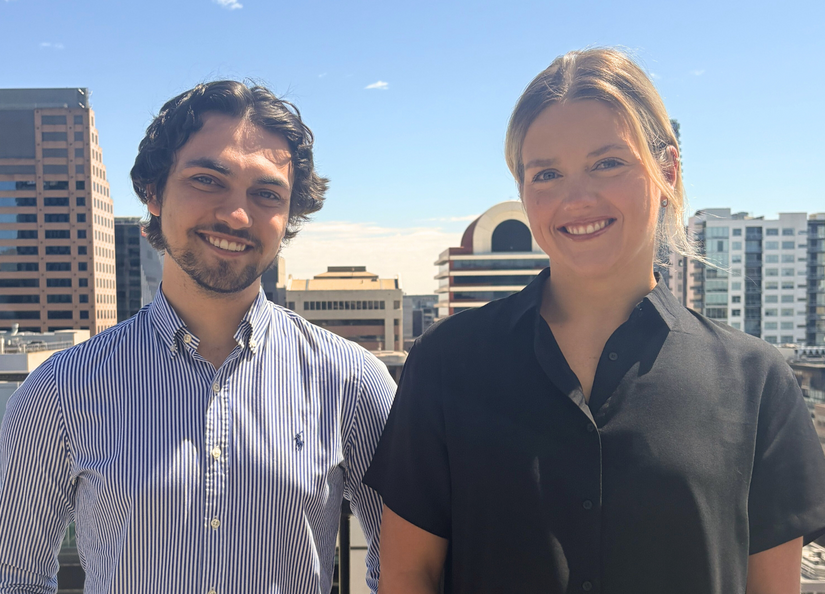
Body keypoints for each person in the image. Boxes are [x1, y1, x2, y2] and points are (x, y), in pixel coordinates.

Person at [363, 48, 825, 594]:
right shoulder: (448, 361)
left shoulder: (757, 381)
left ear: (668, 172)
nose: (576, 198)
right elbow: (408, 572)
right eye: (547, 174)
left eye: (608, 163)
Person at [0, 81, 395, 593]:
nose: (236, 215)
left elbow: (403, 568)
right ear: (153, 192)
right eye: (207, 180)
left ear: (288, 216)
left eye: (267, 193)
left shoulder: (352, 381)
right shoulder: (60, 390)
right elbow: (16, 577)